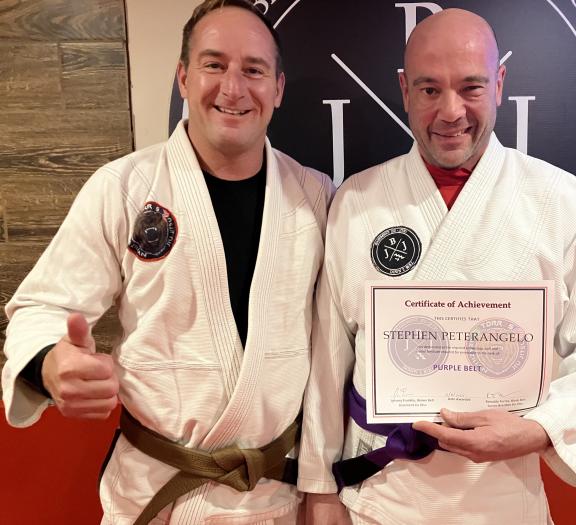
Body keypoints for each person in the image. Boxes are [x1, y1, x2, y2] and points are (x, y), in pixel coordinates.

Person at [298, 8, 576, 524]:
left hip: (504, 500)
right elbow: (328, 360)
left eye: (471, 87)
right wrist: (319, 488)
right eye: (429, 89)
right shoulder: (358, 200)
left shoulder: (561, 201)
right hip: (377, 499)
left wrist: (539, 429)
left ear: (499, 84)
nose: (451, 112)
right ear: (403, 90)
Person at [2, 1, 333, 523]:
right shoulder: (124, 187)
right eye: (213, 64)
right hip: (156, 497)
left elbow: (339, 339)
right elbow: (42, 306)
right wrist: (49, 363)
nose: (233, 88)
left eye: (254, 70)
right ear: (183, 77)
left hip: (273, 498)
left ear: (278, 88)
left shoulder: (315, 196)